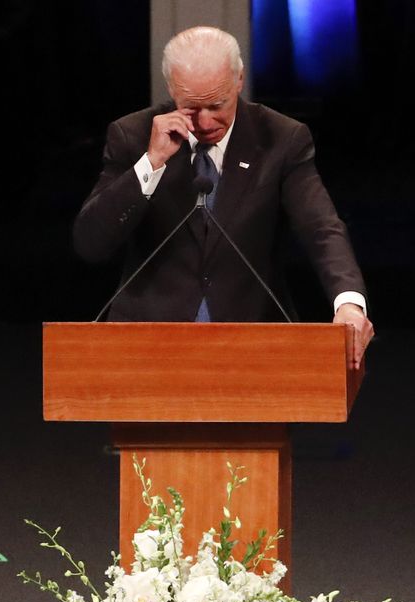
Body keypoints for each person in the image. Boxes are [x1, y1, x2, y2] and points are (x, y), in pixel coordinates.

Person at [73, 26, 375, 368]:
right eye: (190, 107)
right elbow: (91, 243)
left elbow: (321, 229)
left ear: (239, 80)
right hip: (147, 350)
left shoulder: (282, 138)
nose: (204, 121)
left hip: (254, 348)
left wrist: (348, 303)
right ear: (171, 88)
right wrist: (151, 163)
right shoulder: (132, 135)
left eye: (217, 104)